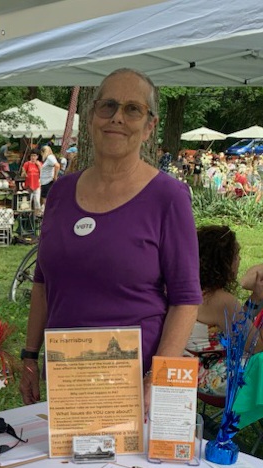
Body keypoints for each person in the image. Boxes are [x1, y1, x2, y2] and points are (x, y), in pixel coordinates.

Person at [20, 68, 201, 407]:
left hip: (132, 385)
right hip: (67, 378)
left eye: (133, 109)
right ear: (91, 118)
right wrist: (30, 356)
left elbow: (186, 300)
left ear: (149, 127)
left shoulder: (169, 197)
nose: (117, 117)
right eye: (108, 106)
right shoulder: (60, 192)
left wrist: (156, 379)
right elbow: (42, 283)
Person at [185, 225, 263, 396]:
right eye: (236, 255)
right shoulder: (221, 300)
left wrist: (256, 298)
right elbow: (256, 347)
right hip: (214, 378)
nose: (240, 259)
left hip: (189, 371)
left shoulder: (192, 290)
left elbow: (237, 324)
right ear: (223, 262)